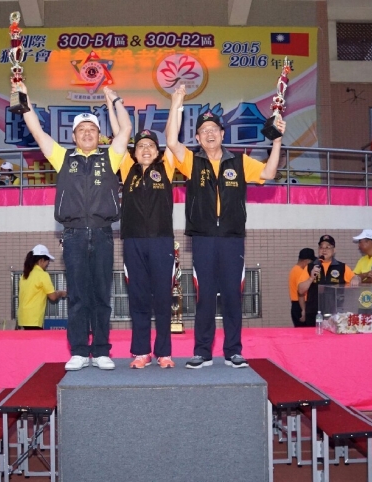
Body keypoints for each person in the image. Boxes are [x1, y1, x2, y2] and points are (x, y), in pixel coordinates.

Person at [165, 84, 285, 369]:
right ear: (197, 138)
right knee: (204, 295)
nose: (209, 134)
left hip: (232, 238)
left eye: (214, 130)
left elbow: (269, 172)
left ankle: (233, 351)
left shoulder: (239, 162)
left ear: (222, 134)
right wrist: (177, 102)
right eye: (203, 131)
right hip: (203, 238)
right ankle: (202, 352)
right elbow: (170, 141)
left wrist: (277, 140)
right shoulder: (191, 162)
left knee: (232, 295)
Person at [13, 81, 131, 371]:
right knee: (78, 295)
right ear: (74, 136)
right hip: (74, 236)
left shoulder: (110, 157)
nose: (87, 133)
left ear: (99, 135)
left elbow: (126, 129)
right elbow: (38, 132)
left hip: (103, 234)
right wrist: (23, 97)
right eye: (81, 130)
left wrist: (115, 101)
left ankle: (101, 351)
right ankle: (78, 351)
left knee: (101, 295)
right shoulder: (63, 158)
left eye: (92, 129)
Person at [114, 123, 177, 369]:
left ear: (158, 151)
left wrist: (176, 105)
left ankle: (164, 353)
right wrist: (112, 105)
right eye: (141, 146)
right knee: (138, 298)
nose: (146, 149)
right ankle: (141, 352)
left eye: (151, 145)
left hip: (161, 241)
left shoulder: (166, 167)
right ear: (134, 152)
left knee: (162, 298)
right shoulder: (127, 168)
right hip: (133, 241)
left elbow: (172, 136)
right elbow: (121, 134)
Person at [297, 235, 360, 319]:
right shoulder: (310, 267)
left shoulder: (341, 267)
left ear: (334, 250)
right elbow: (300, 291)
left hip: (335, 314)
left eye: (328, 247)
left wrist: (356, 278)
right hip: (314, 313)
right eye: (321, 247)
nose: (324, 250)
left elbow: (356, 278)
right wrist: (311, 278)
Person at [17, 244, 67, 330]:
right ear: (41, 260)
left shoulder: (25, 275)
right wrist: (62, 293)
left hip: (22, 318)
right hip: (34, 319)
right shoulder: (42, 275)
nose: (48, 264)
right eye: (48, 261)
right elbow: (53, 296)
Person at [289, 248, 316, 327]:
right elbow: (300, 292)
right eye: (311, 262)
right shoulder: (300, 272)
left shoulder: (294, 269)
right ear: (306, 261)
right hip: (301, 305)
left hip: (297, 304)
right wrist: (303, 310)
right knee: (305, 331)